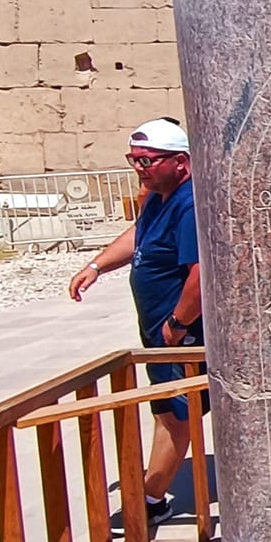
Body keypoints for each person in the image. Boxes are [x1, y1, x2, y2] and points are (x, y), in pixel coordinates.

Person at [68, 119, 204, 521]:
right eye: (134, 159)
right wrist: (97, 265)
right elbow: (139, 236)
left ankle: (148, 501)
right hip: (162, 335)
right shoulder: (158, 198)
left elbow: (201, 273)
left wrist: (178, 324)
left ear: (180, 162)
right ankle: (150, 496)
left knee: (176, 415)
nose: (139, 167)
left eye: (148, 160)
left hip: (180, 337)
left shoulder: (189, 204)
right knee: (168, 411)